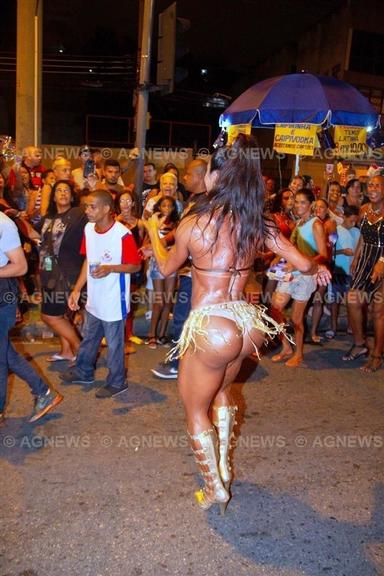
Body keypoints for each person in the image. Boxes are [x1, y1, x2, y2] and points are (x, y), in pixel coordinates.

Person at [145, 135, 330, 511]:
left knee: (195, 410)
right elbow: (306, 263)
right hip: (248, 325)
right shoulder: (256, 224)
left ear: (216, 176)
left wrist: (150, 230)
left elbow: (165, 266)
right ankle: (224, 469)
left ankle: (215, 487)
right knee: (223, 393)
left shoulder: (194, 224)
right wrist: (319, 269)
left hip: (211, 325)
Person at [61, 189, 141, 398]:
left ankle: (117, 382)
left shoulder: (122, 234)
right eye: (86, 206)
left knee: (115, 345)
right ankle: (83, 371)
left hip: (115, 300)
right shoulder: (89, 229)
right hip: (95, 297)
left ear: (106, 209)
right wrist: (77, 289)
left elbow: (135, 266)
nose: (87, 210)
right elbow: (88, 260)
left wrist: (111, 268)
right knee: (89, 338)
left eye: (92, 206)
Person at [0, 211, 63, 424]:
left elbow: (20, 266)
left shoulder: (4, 224)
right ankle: (44, 392)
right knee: (5, 352)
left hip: (2, 296)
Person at [151, 158, 207, 379]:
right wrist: (162, 243)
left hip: (196, 273)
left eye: (188, 174)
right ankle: (185, 360)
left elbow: (166, 266)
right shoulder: (195, 201)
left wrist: (154, 232)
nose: (184, 178)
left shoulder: (205, 204)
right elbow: (182, 230)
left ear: (201, 176)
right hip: (189, 271)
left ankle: (178, 363)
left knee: (184, 317)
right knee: (185, 316)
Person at [271, 189, 329, 366]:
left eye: (303, 202)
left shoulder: (316, 225)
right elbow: (292, 249)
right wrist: (279, 258)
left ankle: (299, 353)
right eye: (296, 202)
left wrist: (299, 263)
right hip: (289, 274)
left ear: (311, 204)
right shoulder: (299, 224)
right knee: (275, 308)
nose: (298, 205)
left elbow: (323, 255)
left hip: (305, 276)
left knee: (297, 319)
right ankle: (286, 347)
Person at [39, 180, 87, 362]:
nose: (63, 193)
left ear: (72, 195)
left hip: (67, 273)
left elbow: (94, 206)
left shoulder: (77, 214)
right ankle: (66, 351)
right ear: (53, 196)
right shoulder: (47, 218)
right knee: (61, 315)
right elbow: (36, 235)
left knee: (49, 315)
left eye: (66, 190)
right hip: (48, 272)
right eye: (58, 190)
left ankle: (80, 349)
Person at [343, 175, 384, 372]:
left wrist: (380, 264)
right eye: (370, 185)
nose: (373, 188)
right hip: (365, 260)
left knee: (378, 311)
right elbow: (362, 237)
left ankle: (377, 354)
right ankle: (360, 343)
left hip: (382, 261)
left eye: (377, 185)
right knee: (352, 300)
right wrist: (357, 256)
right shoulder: (365, 210)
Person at [144, 196, 179, 349]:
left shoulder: (177, 224)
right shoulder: (153, 222)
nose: (167, 208)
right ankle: (152, 334)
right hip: (156, 262)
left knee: (169, 300)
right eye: (164, 205)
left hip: (173, 261)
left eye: (170, 206)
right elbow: (147, 243)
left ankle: (163, 334)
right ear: (159, 207)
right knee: (159, 300)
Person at [115, 190, 145, 354]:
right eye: (122, 201)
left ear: (133, 203)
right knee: (117, 300)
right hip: (118, 266)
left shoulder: (139, 223)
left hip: (133, 266)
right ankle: (115, 334)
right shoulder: (114, 222)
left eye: (128, 201)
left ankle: (129, 333)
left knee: (130, 300)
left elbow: (141, 242)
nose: (125, 204)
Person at [326, 205, 360, 339]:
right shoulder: (336, 231)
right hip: (338, 271)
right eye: (351, 220)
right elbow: (329, 251)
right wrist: (342, 251)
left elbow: (359, 251)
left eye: (355, 221)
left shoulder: (357, 232)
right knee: (335, 301)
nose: (353, 223)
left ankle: (351, 327)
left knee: (351, 302)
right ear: (344, 217)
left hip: (351, 273)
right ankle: (333, 328)